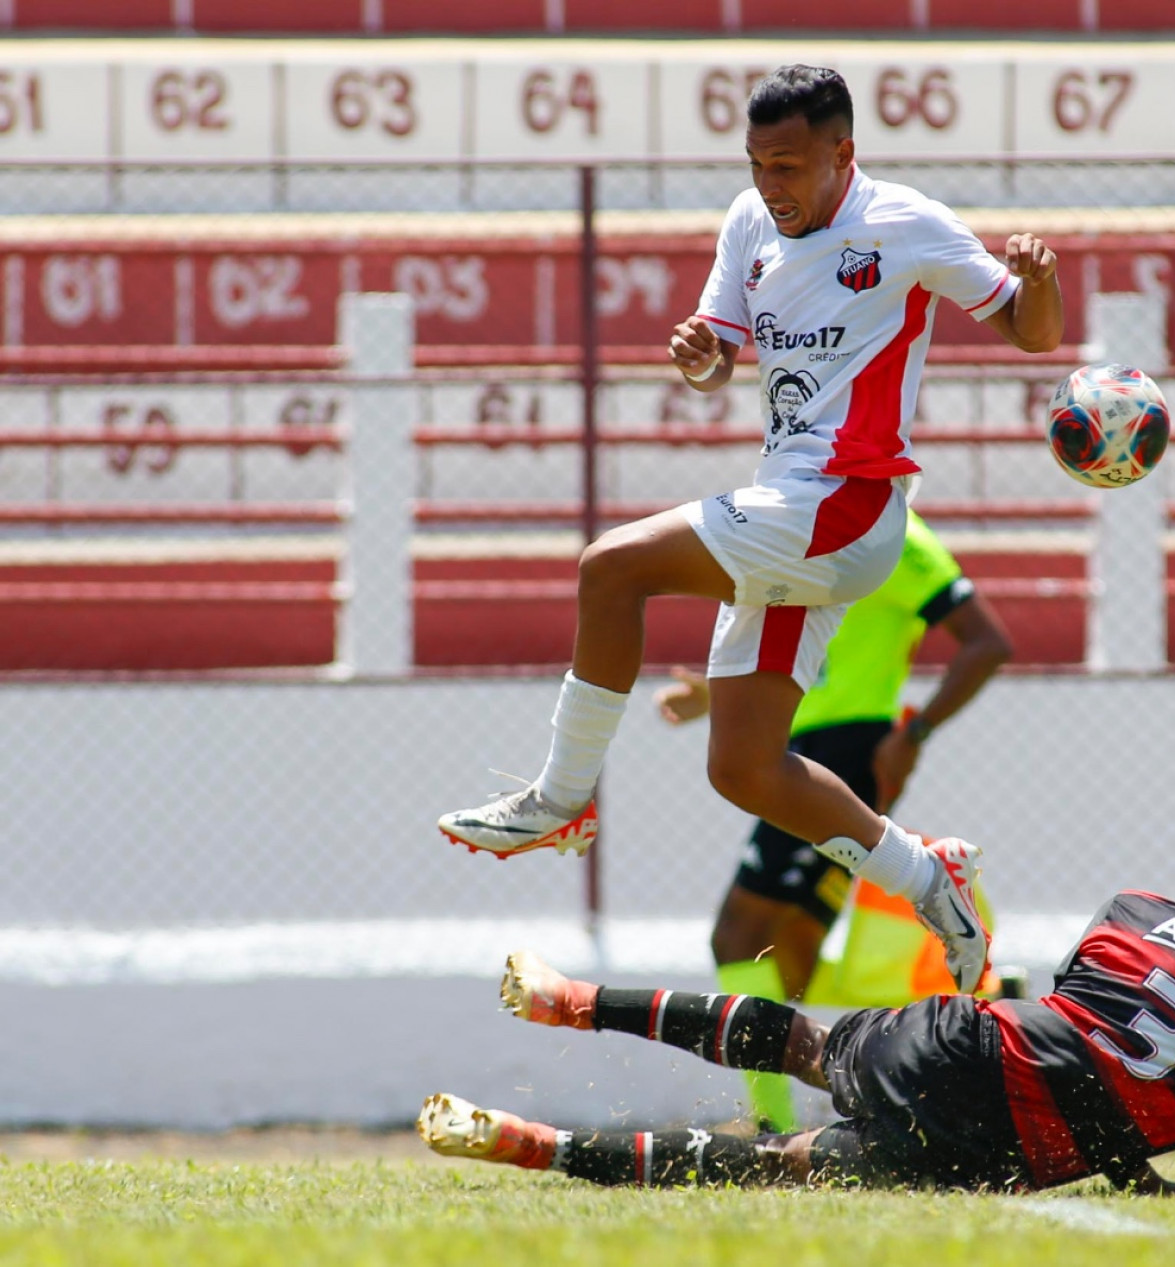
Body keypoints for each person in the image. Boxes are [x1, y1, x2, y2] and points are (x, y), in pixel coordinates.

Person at [435, 64, 1064, 996]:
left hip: (845, 504)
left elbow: (1033, 334)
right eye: (757, 163)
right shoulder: (749, 222)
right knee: (743, 767)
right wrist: (701, 360)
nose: (772, 184)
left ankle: (562, 799)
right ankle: (935, 881)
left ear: (841, 152)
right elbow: (717, 356)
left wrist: (1038, 280)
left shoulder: (905, 223)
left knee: (611, 568)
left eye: (789, 164)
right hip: (790, 505)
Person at [417, 823, 1175, 1198]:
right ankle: (541, 1147)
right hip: (1006, 1142)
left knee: (802, 1034)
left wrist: (1148, 1176)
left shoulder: (1138, 908)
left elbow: (1079, 1039)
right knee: (781, 1162)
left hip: (969, 1043)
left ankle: (575, 1000)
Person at [654, 507, 1013, 1131]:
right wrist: (711, 698)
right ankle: (977, 1014)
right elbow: (818, 655)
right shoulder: (823, 531)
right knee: (787, 957)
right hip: (806, 748)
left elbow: (988, 643)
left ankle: (769, 1126)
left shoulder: (898, 537)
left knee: (739, 936)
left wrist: (914, 733)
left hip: (843, 755)